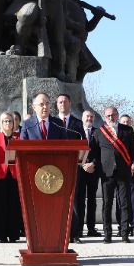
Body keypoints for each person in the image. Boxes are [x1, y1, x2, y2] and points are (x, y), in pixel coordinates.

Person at [83, 106, 134, 243]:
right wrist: (93, 164)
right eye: (108, 116)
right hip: (107, 173)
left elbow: (133, 150)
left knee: (124, 204)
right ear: (105, 117)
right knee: (107, 204)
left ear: (117, 115)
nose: (111, 118)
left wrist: (133, 164)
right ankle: (108, 235)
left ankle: (124, 234)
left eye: (113, 115)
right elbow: (94, 153)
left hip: (123, 172)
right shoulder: (99, 133)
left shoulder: (128, 130)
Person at [52, 94, 86, 241]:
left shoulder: (78, 124)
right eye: (60, 102)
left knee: (74, 200)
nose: (62, 104)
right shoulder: (52, 122)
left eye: (65, 101)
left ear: (70, 103)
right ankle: (56, 232)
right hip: (54, 167)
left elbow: (84, 142)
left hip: (72, 165)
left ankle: (75, 233)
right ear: (56, 104)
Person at [0, 112, 21, 243]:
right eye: (5, 121)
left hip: (14, 175)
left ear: (14, 123)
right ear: (1, 123)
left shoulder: (18, 137)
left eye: (10, 121)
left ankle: (13, 234)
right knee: (0, 205)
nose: (7, 123)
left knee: (13, 205)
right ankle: (1, 235)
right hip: (0, 175)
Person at [118, 113, 134, 237]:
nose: (126, 124)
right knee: (121, 200)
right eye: (123, 122)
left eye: (127, 122)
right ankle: (122, 226)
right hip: (120, 173)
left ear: (131, 123)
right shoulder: (116, 138)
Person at [80, 109, 101, 236]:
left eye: (91, 117)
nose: (89, 119)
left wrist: (93, 163)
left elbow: (101, 151)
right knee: (80, 200)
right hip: (80, 171)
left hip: (93, 170)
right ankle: (79, 229)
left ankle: (91, 228)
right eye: (87, 116)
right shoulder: (77, 132)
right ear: (82, 118)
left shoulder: (98, 132)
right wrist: (83, 164)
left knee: (92, 200)